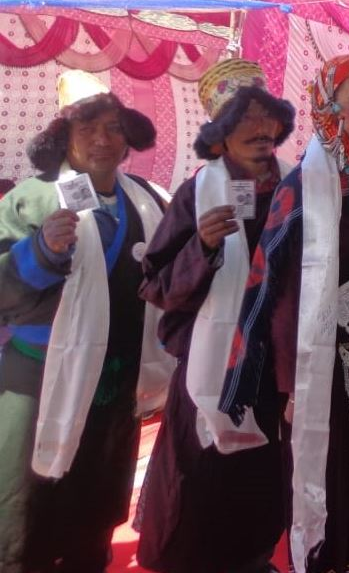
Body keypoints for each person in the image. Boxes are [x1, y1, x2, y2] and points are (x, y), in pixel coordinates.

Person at [219, 54, 349, 573]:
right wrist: (290, 383)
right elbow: (270, 285)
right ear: (329, 108)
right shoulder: (305, 186)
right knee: (331, 474)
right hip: (325, 363)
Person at [0, 70, 174, 572]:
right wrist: (40, 252)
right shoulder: (31, 199)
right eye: (88, 127)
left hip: (114, 385)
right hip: (37, 383)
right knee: (26, 509)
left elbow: (168, 275)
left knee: (95, 508)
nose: (103, 139)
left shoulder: (149, 200)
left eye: (114, 127)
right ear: (64, 137)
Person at [135, 59, 296, 573]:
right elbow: (157, 285)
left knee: (262, 480)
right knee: (198, 481)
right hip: (211, 367)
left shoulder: (299, 189)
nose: (255, 129)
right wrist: (201, 247)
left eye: (261, 116)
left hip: (275, 373)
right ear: (218, 136)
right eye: (238, 120)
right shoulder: (196, 194)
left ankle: (252, 558)